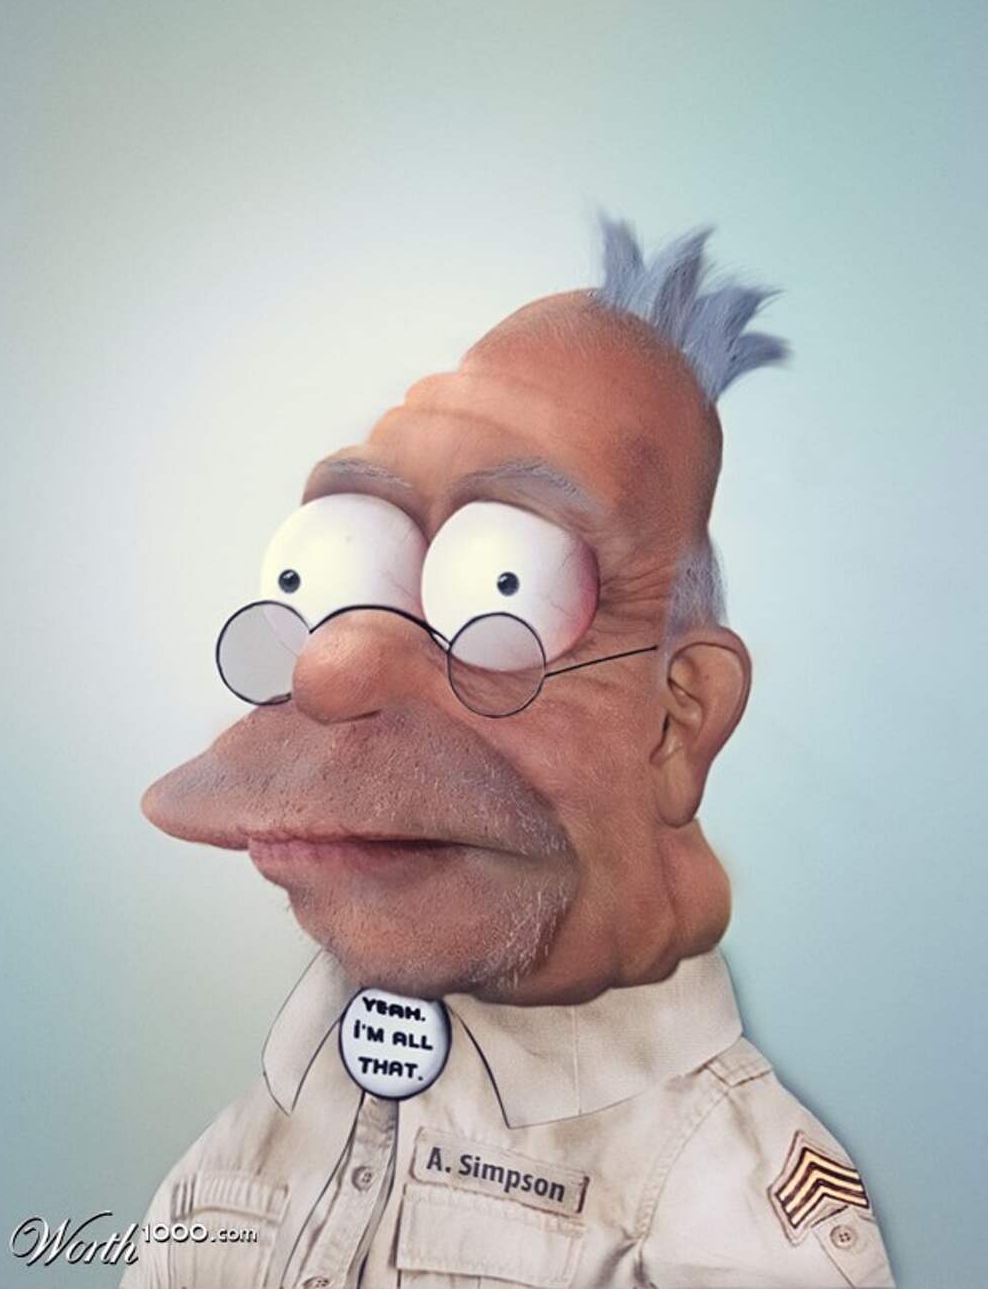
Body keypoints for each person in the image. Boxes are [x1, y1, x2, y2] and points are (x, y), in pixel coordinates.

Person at [124, 217, 895, 1288]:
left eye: (505, 586)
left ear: (677, 720)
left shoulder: (718, 1193)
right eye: (332, 578)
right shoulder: (272, 1123)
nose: (334, 671)